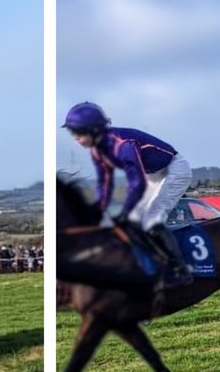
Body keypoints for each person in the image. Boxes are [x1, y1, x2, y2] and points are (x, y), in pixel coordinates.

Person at [62, 101, 194, 286]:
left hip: (174, 170)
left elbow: (137, 182)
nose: (74, 137)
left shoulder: (123, 144)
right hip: (153, 174)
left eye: (78, 131)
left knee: (151, 219)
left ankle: (180, 271)